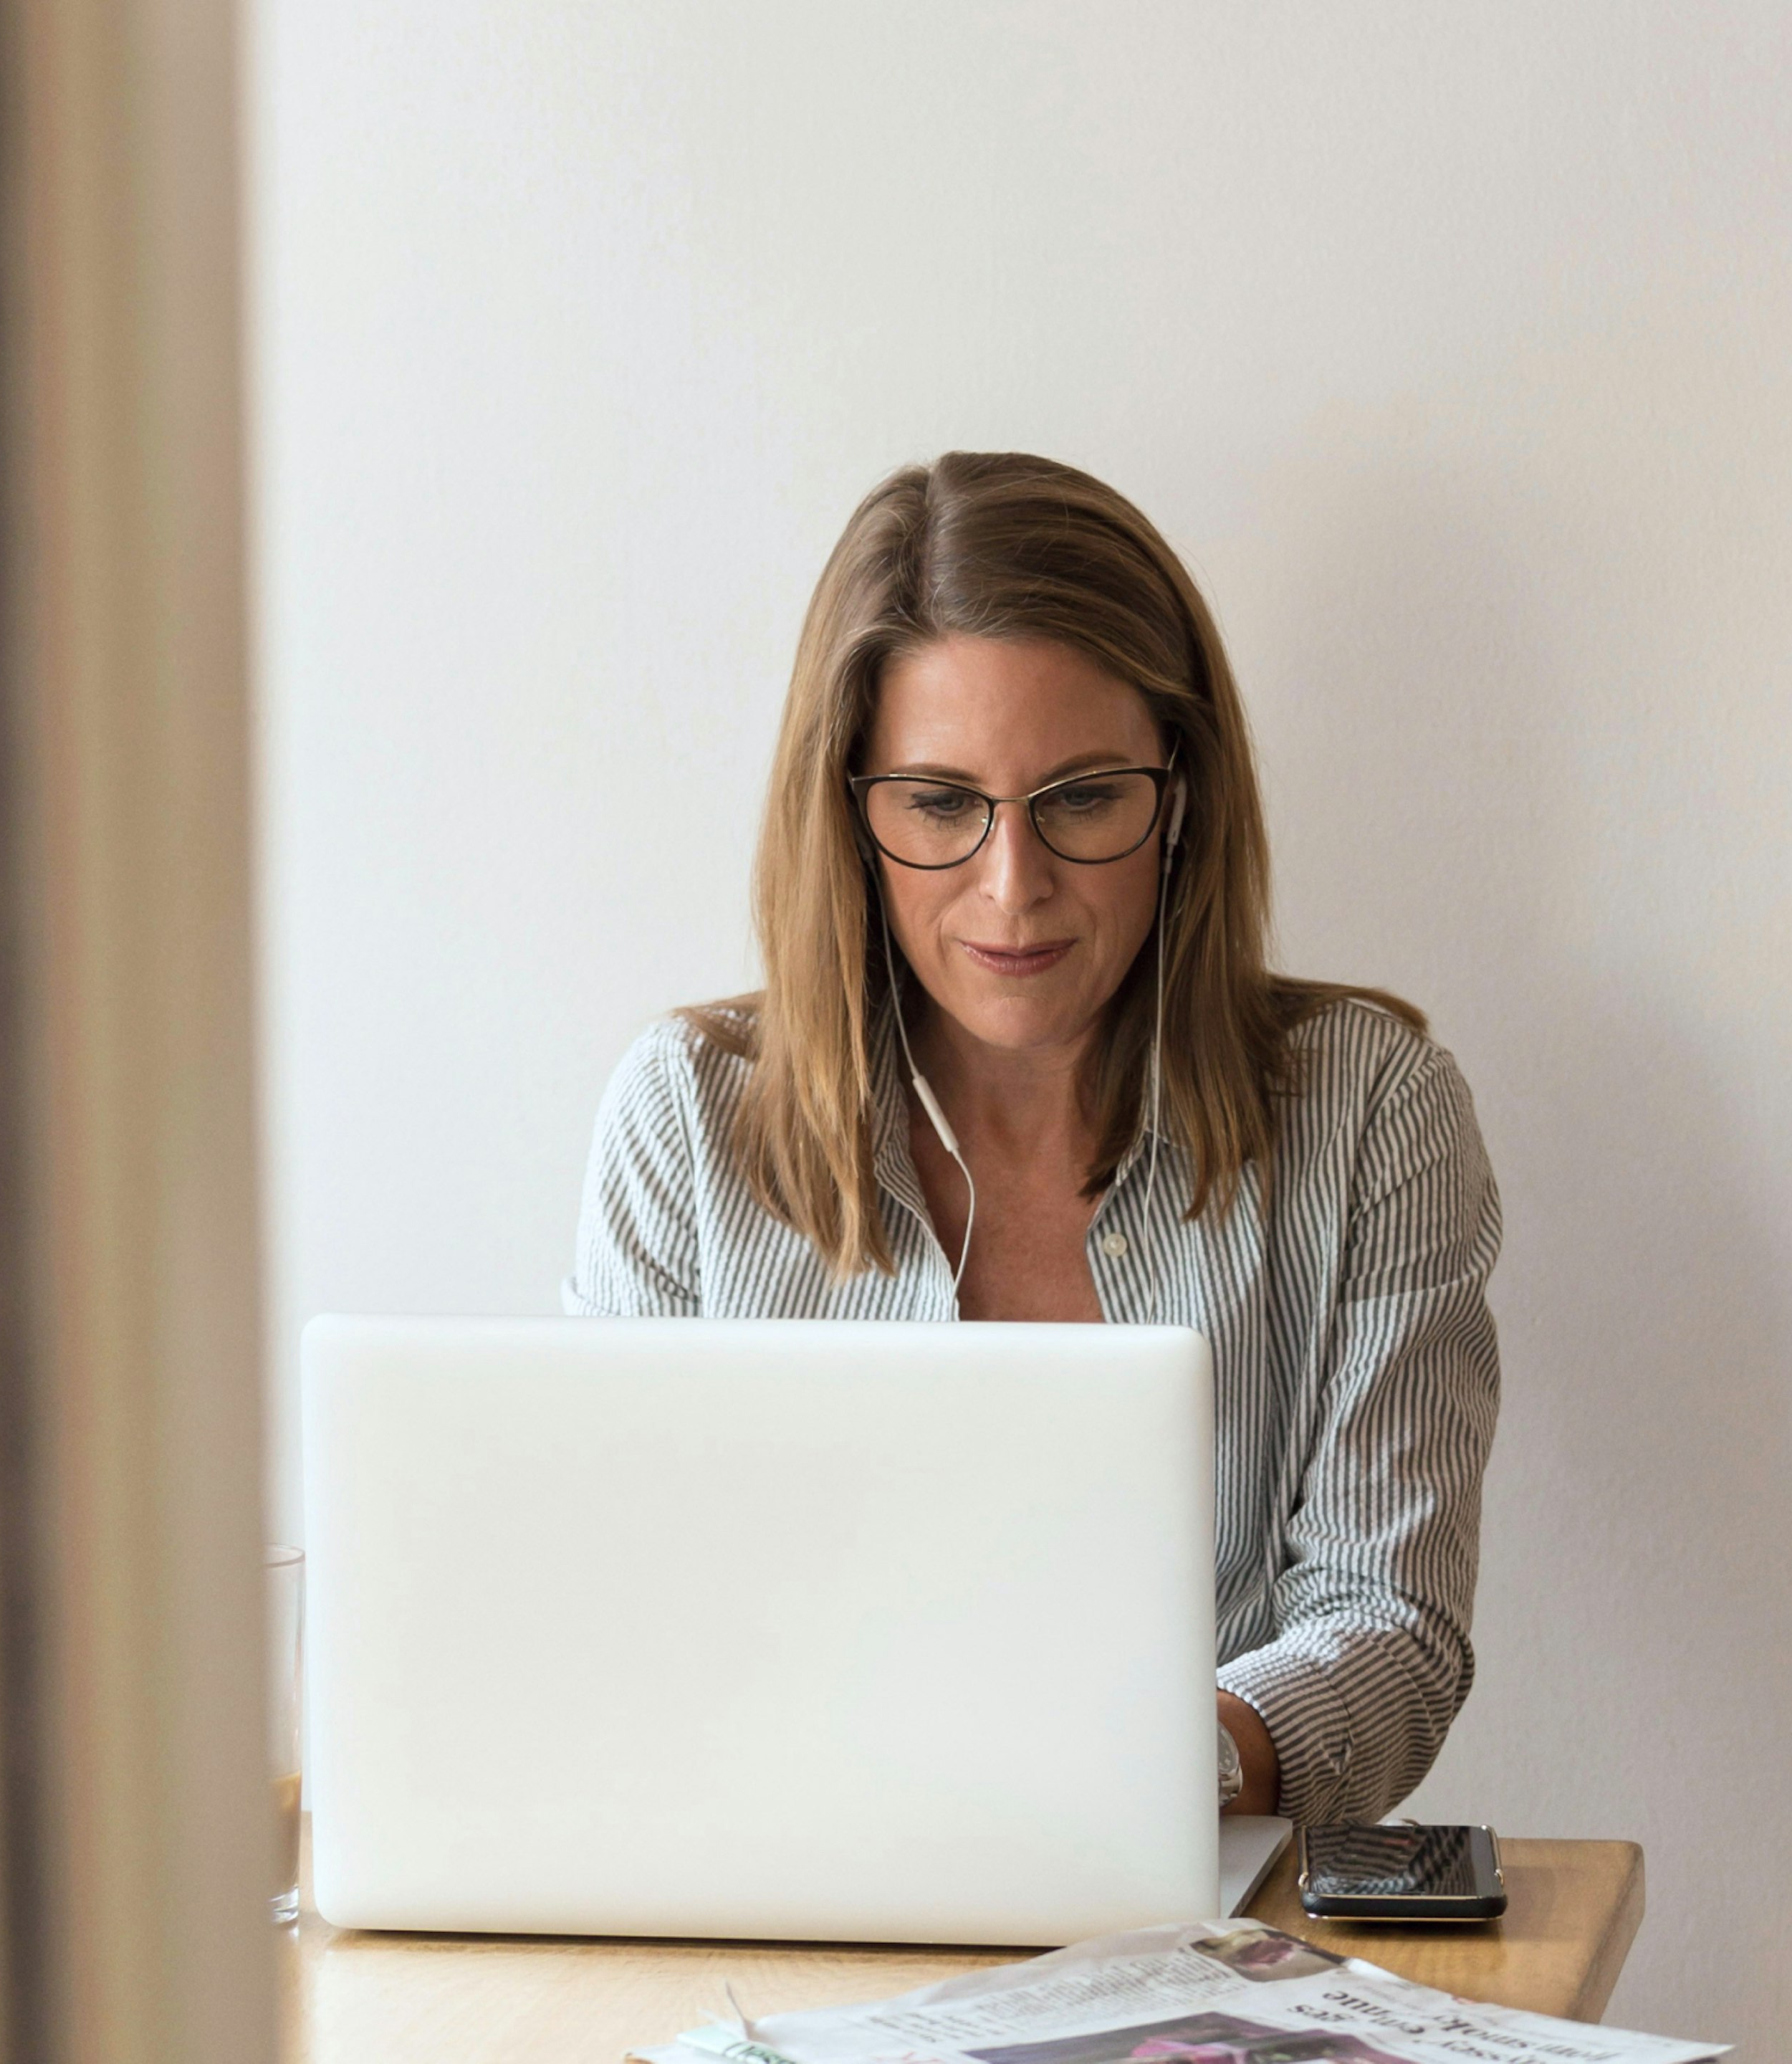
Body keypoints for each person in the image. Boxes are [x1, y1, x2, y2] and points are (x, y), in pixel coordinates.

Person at [562, 452, 1502, 1827]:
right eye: (941, 805)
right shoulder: (686, 1120)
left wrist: (1137, 1774)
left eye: (1081, 799)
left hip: (1195, 1923)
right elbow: (611, 1621)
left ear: (1179, 795)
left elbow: (1392, 1632)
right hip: (776, 1903)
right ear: (850, 814)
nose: (1014, 890)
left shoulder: (1371, 1111)